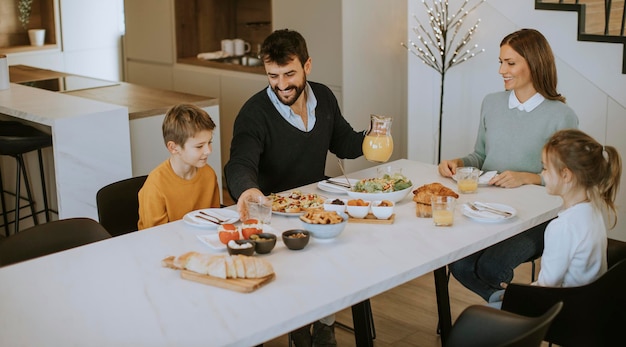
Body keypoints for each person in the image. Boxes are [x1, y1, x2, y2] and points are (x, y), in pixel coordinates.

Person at [224, 29, 365, 347]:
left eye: (290, 73)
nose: (282, 84)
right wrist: (248, 190)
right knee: (307, 263)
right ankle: (300, 329)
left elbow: (342, 141)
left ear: (307, 66)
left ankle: (325, 324)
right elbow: (239, 164)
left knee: (346, 247)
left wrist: (372, 137)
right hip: (278, 213)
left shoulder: (324, 97)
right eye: (273, 75)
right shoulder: (254, 113)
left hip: (316, 203)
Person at [437, 29, 579, 302]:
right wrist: (458, 162)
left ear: (534, 63)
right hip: (487, 209)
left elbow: (568, 179)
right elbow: (480, 156)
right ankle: (517, 316)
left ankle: (512, 321)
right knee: (460, 265)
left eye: (510, 63)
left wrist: (528, 177)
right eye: (500, 62)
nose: (502, 70)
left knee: (491, 266)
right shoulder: (491, 103)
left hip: (539, 218)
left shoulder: (562, 116)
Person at [489, 129, 621, 307]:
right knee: (498, 297)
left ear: (566, 175)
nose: (542, 174)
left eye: (545, 168)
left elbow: (547, 287)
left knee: (494, 302)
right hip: (591, 302)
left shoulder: (562, 227)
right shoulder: (593, 210)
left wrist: (517, 292)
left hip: (566, 310)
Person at [138, 104, 221, 230]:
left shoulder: (209, 174)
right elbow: (156, 237)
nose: (208, 150)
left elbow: (215, 221)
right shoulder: (155, 186)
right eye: (199, 146)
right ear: (173, 148)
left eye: (209, 142)